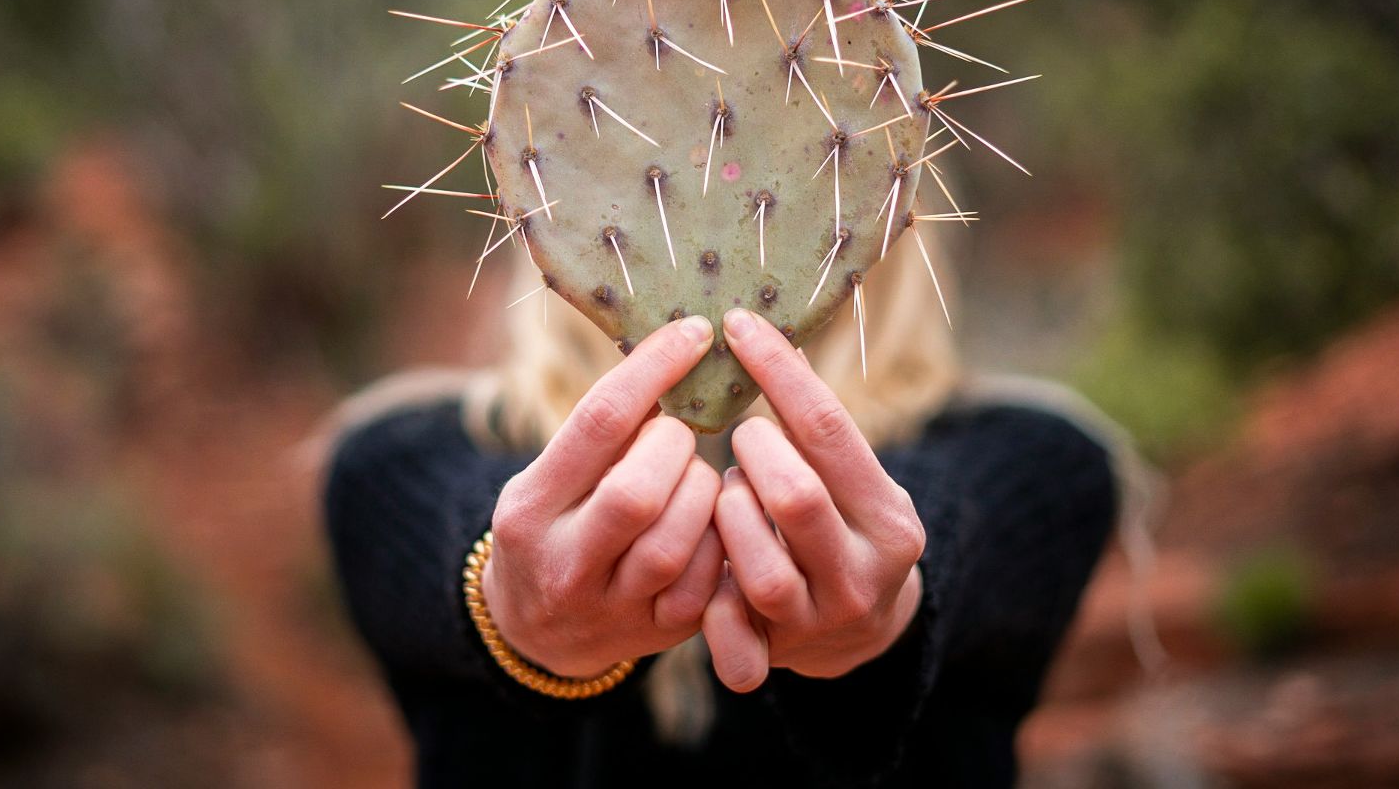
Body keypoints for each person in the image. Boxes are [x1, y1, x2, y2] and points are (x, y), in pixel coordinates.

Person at [322, 221, 1127, 787]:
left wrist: (900, 591)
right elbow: (453, 518)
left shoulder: (1037, 460)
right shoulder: (397, 461)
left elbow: (956, 513)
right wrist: (504, 594)